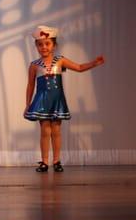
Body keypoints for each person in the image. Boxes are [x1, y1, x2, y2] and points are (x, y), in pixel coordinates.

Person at [24, 25, 105, 172]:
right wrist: (27, 104)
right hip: (42, 101)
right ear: (36, 46)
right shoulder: (34, 65)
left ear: (54, 45)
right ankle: (44, 162)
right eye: (40, 45)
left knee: (56, 131)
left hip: (56, 101)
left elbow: (79, 68)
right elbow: (30, 85)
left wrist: (94, 63)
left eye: (47, 44)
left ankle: (56, 161)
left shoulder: (60, 60)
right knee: (45, 132)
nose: (44, 47)